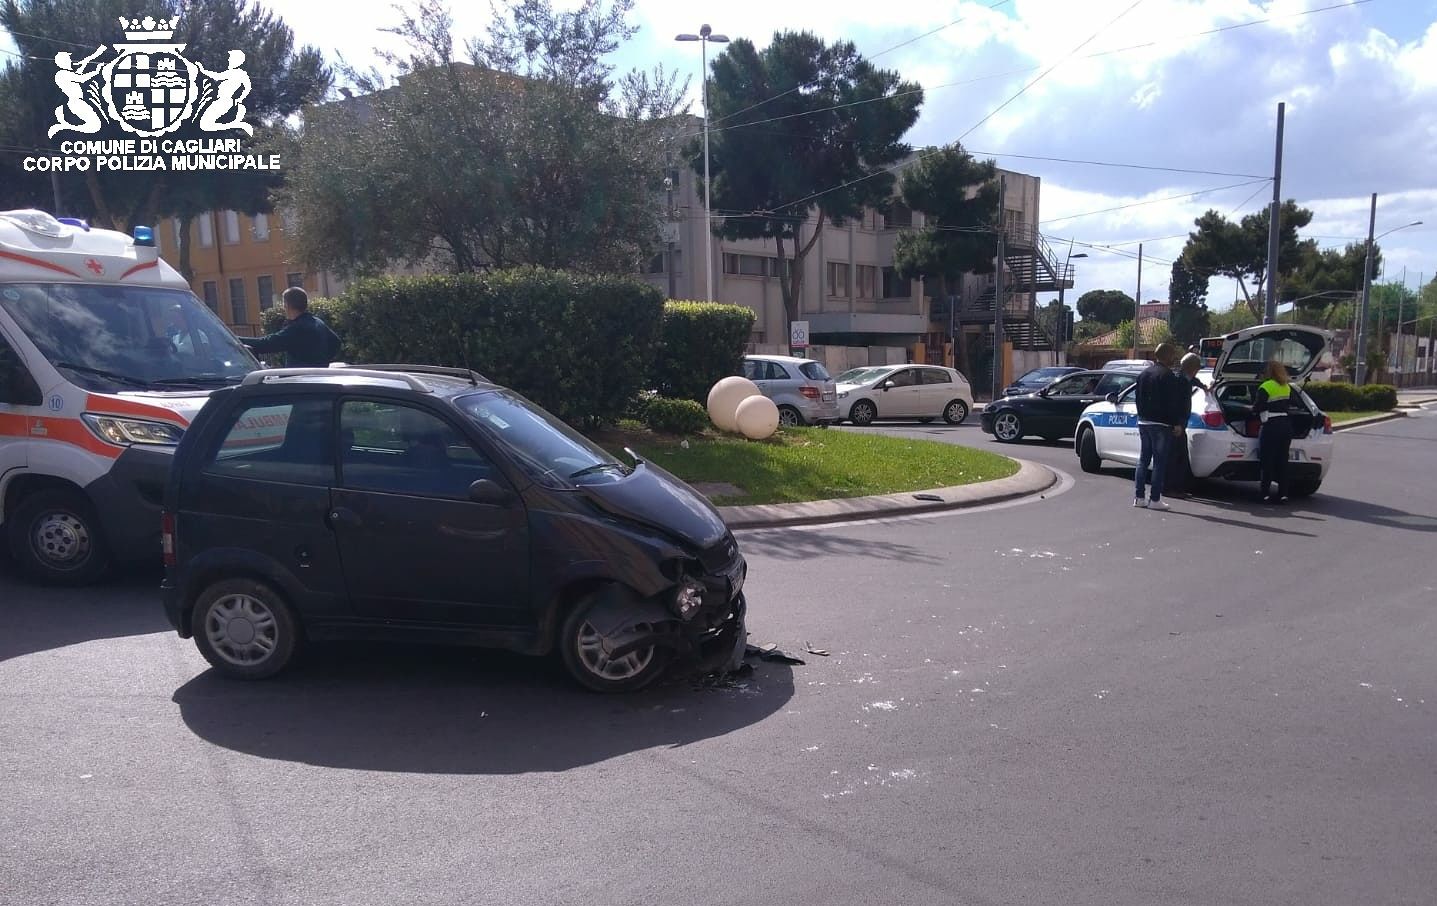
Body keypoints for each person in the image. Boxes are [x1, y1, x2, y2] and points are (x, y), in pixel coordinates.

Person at [1132, 343, 1189, 511]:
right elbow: (1171, 403)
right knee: (1159, 462)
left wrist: (1142, 415)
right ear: (1167, 356)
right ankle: (1155, 499)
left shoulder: (1143, 374)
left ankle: (1139, 497)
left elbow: (1137, 398)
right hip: (1161, 424)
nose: (1174, 358)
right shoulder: (1167, 376)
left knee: (1143, 460)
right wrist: (1176, 423)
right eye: (1172, 355)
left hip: (1144, 421)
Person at [241, 287, 341, 367]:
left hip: (300, 381)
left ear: (287, 305)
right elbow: (336, 343)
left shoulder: (298, 328)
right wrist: (320, 363)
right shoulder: (318, 322)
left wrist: (234, 340)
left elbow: (266, 344)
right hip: (317, 378)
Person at [1166, 353, 1208, 497]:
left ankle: (1178, 488)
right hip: (1176, 424)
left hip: (1180, 423)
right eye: (1196, 368)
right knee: (1175, 457)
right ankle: (1171, 489)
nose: (1197, 371)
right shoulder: (1178, 380)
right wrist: (1176, 424)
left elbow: (1193, 381)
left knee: (1180, 457)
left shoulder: (1185, 378)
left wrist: (1203, 386)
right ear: (1191, 368)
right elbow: (1174, 404)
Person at [1253, 359, 1294, 503]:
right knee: (1283, 461)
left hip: (1270, 426)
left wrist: (1249, 410)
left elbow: (1258, 407)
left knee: (1267, 461)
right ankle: (1283, 494)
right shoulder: (1286, 387)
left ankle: (1264, 494)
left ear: (1267, 372)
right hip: (1285, 426)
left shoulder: (1266, 386)